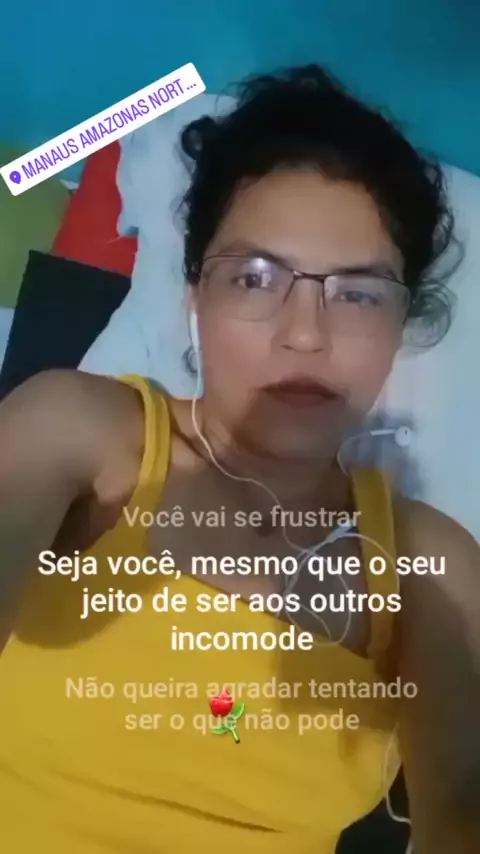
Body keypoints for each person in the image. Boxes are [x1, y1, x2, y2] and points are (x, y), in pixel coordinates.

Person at [0, 65, 479, 854]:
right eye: (256, 278)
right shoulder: (81, 433)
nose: (305, 334)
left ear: (401, 325)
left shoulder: (431, 564)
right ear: (195, 295)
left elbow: (460, 804)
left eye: (358, 293)